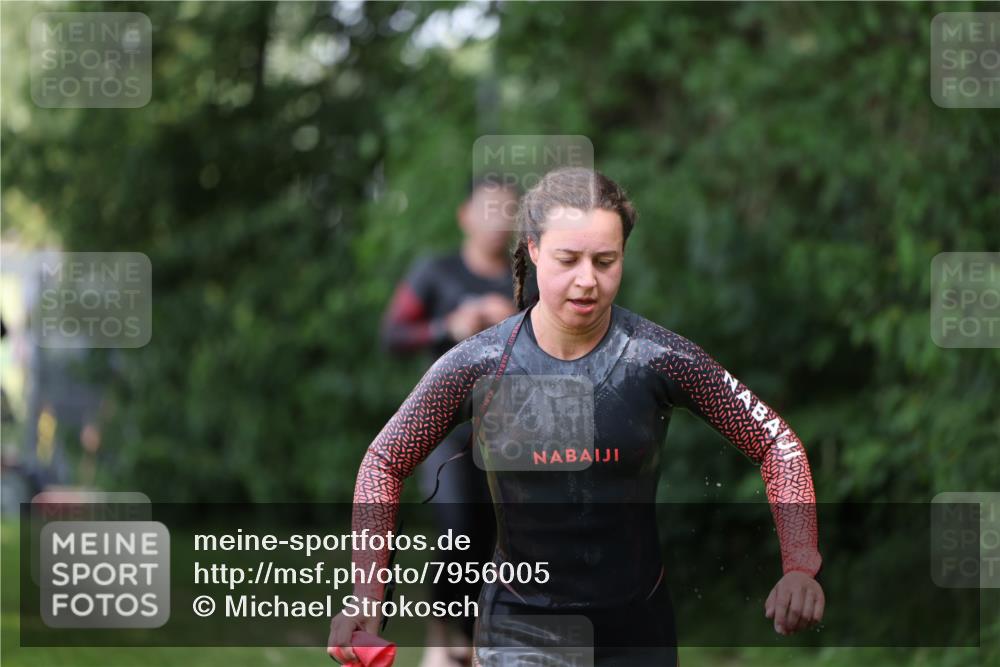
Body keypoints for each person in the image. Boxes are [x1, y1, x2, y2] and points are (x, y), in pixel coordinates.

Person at [329, 167, 825, 666]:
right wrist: (367, 594)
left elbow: (775, 442)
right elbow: (384, 460)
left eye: (605, 261)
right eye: (568, 259)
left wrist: (800, 565)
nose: (587, 280)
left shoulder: (657, 358)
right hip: (518, 633)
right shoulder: (481, 363)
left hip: (637, 633)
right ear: (533, 249)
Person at [378, 176, 537, 667]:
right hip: (449, 434)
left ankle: (482, 645)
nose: (497, 220)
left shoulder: (530, 281)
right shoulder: (436, 272)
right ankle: (444, 643)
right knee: (457, 535)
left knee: (507, 545)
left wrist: (514, 322)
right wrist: (450, 325)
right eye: (489, 208)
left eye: (508, 210)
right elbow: (392, 334)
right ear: (465, 215)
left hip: (514, 436)